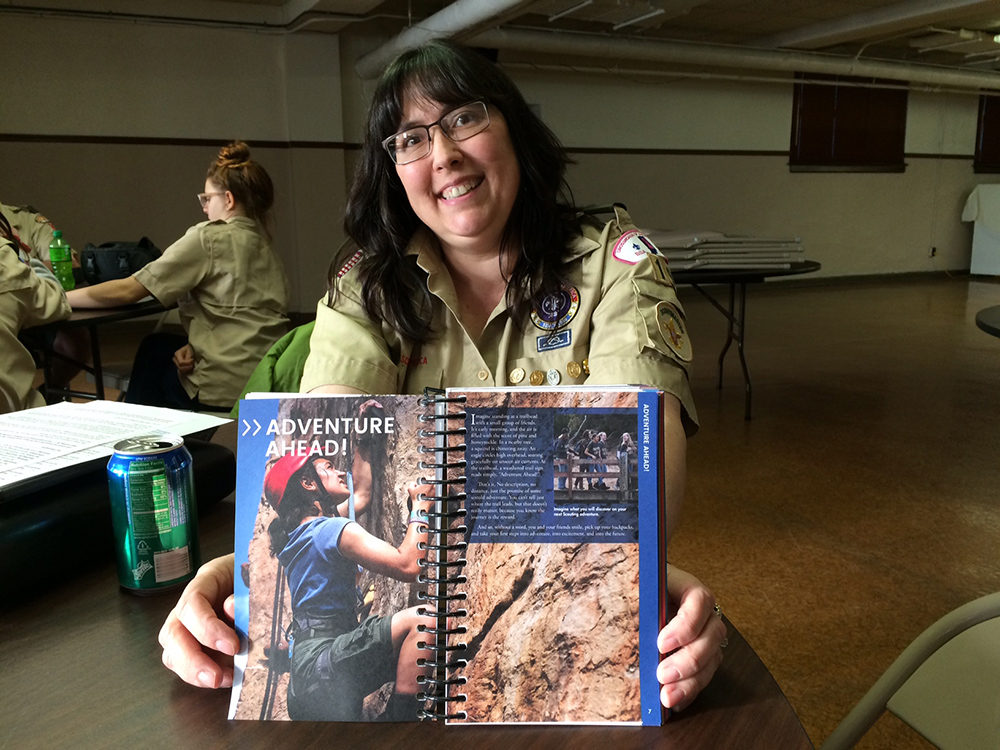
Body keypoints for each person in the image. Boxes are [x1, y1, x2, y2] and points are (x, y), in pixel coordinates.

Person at [158, 40, 726, 714]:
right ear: (393, 170)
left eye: (464, 119)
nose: (444, 154)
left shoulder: (614, 266)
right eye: (410, 139)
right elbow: (325, 449)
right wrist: (233, 576)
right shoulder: (365, 292)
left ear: (514, 127)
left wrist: (642, 570)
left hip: (565, 658)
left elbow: (637, 500)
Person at [66, 141, 290, 411]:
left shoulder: (209, 237)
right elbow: (239, 321)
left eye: (207, 199)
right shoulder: (268, 249)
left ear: (228, 199)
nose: (205, 208)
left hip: (223, 388)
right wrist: (193, 348)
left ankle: (139, 435)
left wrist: (59, 298)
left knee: (152, 353)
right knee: (162, 347)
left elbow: (129, 290)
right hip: (266, 382)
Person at [262, 401, 434, 720]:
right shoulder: (329, 530)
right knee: (425, 622)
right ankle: (401, 733)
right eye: (328, 467)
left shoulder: (302, 534)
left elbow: (362, 495)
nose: (340, 471)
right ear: (308, 483)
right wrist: (421, 506)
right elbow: (408, 565)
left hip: (307, 680)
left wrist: (364, 439)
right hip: (326, 662)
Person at [2, 201, 89, 392]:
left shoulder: (24, 219)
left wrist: (19, 269)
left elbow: (67, 263)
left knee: (76, 338)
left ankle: (52, 391)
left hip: (36, 309)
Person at [0, 211, 71, 413]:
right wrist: (19, 252)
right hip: (13, 423)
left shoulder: (28, 217)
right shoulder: (4, 258)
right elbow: (57, 301)